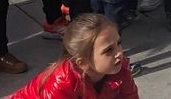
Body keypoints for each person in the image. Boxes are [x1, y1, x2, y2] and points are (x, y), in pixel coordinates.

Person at [9, 13, 140, 99]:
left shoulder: (120, 67)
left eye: (119, 43)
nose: (119, 53)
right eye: (108, 50)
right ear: (82, 63)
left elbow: (131, 97)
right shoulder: (62, 82)